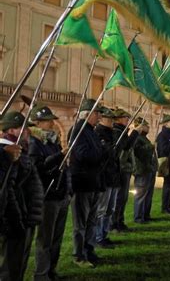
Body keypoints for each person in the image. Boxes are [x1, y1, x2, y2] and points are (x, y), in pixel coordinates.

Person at [0, 111, 43, 281]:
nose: (28, 132)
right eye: (24, 128)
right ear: (11, 130)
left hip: (24, 216)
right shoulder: (6, 151)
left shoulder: (18, 150)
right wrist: (16, 220)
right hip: (13, 220)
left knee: (18, 265)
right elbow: (8, 189)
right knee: (8, 268)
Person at [29, 105, 69, 281]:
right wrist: (60, 156)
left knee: (56, 238)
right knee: (45, 239)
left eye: (52, 120)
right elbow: (38, 168)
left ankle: (51, 270)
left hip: (60, 194)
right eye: (48, 120)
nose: (52, 123)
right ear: (37, 123)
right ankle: (41, 274)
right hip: (47, 196)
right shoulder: (34, 143)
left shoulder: (51, 141)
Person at [69, 99, 105, 268]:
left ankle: (89, 250)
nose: (99, 117)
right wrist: (101, 153)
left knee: (92, 221)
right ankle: (79, 255)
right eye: (97, 113)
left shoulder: (91, 130)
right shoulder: (78, 130)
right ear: (88, 114)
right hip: (82, 183)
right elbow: (84, 155)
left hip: (93, 182)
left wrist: (100, 153)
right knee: (81, 224)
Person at [94, 107, 120, 248]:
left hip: (113, 176)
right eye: (109, 119)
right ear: (102, 119)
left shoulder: (112, 133)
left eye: (112, 119)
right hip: (104, 177)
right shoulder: (98, 133)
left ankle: (104, 233)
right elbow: (104, 154)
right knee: (102, 209)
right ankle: (98, 237)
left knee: (110, 209)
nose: (111, 121)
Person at [111, 109, 139, 233]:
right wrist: (135, 133)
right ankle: (114, 224)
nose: (128, 120)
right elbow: (126, 146)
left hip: (124, 168)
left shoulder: (122, 132)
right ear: (118, 119)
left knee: (123, 198)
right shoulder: (117, 132)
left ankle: (119, 221)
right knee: (119, 198)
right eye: (125, 118)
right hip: (121, 168)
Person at [133, 117, 157, 223]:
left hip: (148, 169)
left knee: (148, 194)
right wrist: (150, 147)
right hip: (142, 170)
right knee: (141, 195)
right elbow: (138, 152)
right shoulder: (137, 138)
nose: (148, 127)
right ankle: (138, 217)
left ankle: (146, 215)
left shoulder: (144, 138)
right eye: (146, 126)